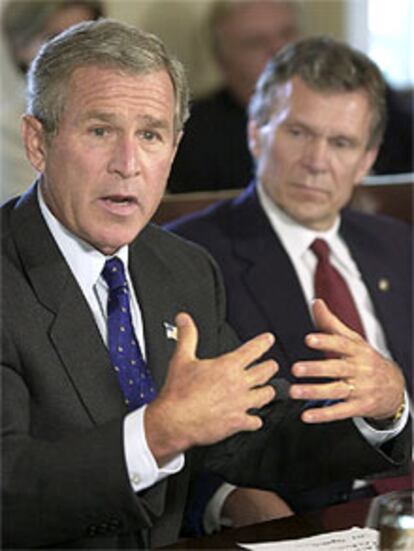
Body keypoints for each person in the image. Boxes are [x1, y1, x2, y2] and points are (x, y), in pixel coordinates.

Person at [1, 21, 410, 548]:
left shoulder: (182, 267)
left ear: (173, 148)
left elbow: (249, 436)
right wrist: (156, 433)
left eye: (149, 134)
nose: (128, 165)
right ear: (38, 142)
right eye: (100, 131)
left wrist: (381, 410)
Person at [167, 35, 413, 523]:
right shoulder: (188, 256)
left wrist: (396, 401)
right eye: (298, 133)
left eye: (341, 142)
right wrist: (227, 498)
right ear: (257, 132)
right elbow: (166, 421)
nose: (317, 161)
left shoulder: (400, 245)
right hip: (303, 514)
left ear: (367, 159)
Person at [168, 0, 300, 193]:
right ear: (221, 59)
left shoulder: (337, 112)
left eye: (287, 34)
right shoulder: (192, 133)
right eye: (256, 42)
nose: (279, 51)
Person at [0, 0, 105, 203]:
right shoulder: (9, 128)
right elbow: (26, 216)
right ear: (20, 48)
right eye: (56, 39)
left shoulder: (122, 111)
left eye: (84, 38)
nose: (75, 52)